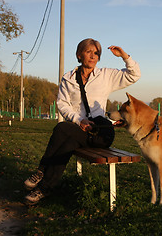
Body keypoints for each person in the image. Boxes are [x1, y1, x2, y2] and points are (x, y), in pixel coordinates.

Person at [24, 38, 141, 205]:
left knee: (61, 128)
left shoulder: (106, 76)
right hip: (80, 132)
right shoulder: (68, 78)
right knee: (67, 144)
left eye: (96, 53)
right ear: (79, 55)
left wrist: (124, 56)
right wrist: (79, 120)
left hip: (101, 133)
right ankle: (44, 189)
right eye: (89, 52)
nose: (93, 56)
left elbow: (134, 75)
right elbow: (62, 104)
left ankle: (41, 170)